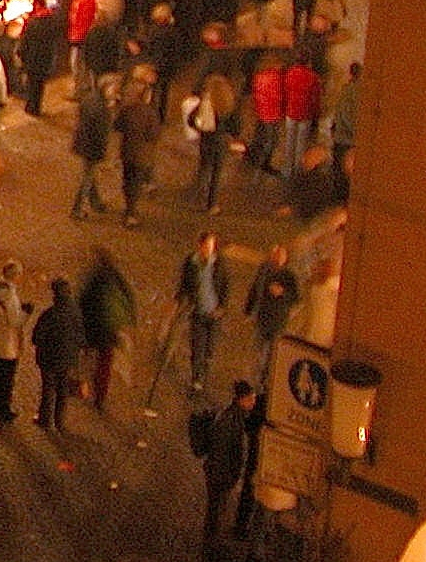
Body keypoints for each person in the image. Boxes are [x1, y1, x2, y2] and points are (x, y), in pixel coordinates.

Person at [199, 381, 260, 552]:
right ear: (242, 399)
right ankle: (210, 545)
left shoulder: (237, 417)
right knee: (216, 511)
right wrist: (227, 477)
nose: (253, 402)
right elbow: (222, 451)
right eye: (251, 399)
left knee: (216, 510)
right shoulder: (230, 420)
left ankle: (211, 542)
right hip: (220, 475)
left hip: (221, 474)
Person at [80, 248, 137, 411]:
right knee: (104, 363)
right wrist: (130, 320)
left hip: (93, 327)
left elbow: (83, 301)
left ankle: (84, 389)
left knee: (89, 360)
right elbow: (129, 298)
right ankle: (100, 395)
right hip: (110, 329)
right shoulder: (117, 279)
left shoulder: (93, 280)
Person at [177, 232, 232, 392]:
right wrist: (179, 300)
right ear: (199, 245)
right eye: (206, 246)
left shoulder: (219, 264)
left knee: (209, 349)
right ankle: (196, 378)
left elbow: (225, 287)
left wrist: (222, 307)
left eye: (211, 247)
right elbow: (184, 284)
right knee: (197, 347)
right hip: (198, 312)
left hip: (214, 314)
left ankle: (204, 374)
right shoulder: (191, 262)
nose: (209, 250)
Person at [33, 276, 85, 432]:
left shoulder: (50, 314)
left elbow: (37, 337)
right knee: (62, 389)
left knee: (48, 389)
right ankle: (59, 421)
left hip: (49, 359)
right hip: (67, 359)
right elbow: (81, 337)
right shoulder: (76, 313)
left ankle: (44, 420)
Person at [116, 63, 163, 227]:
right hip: (142, 154)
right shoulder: (150, 114)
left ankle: (128, 207)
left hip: (127, 151)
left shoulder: (128, 109)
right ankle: (131, 213)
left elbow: (118, 126)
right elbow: (154, 135)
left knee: (127, 180)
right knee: (136, 183)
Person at [0, 261, 31, 422]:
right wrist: (26, 313)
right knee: (6, 376)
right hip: (8, 342)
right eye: (19, 274)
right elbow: (14, 321)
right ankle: (2, 408)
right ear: (15, 275)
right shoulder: (10, 296)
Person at [246, 244, 299, 378]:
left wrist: (282, 293)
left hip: (278, 321)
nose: (278, 258)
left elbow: (296, 297)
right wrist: (248, 309)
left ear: (286, 258)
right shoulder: (264, 270)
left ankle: (266, 378)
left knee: (271, 354)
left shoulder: (289, 276)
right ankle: (259, 377)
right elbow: (255, 289)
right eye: (276, 254)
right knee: (259, 352)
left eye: (282, 255)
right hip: (262, 318)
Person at [71, 67, 114, 218]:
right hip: (91, 147)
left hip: (83, 144)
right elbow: (100, 131)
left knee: (90, 175)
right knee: (87, 178)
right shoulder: (99, 107)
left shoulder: (91, 100)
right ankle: (77, 209)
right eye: (112, 88)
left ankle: (96, 201)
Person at [191, 74, 234, 214]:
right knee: (216, 174)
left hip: (206, 139)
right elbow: (235, 125)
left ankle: (198, 200)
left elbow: (191, 119)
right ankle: (212, 204)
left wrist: (199, 128)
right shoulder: (228, 104)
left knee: (204, 170)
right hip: (221, 141)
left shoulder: (205, 102)